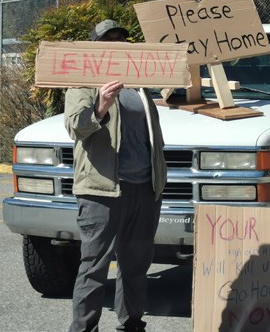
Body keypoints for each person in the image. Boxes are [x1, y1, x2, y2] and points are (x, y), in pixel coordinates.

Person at [64, 19, 167, 332]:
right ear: (97, 48)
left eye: (122, 38)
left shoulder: (140, 86)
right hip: (102, 190)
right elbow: (75, 126)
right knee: (94, 266)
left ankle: (131, 324)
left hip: (143, 189)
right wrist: (101, 105)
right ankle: (83, 329)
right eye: (109, 39)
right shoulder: (83, 83)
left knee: (136, 266)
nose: (118, 42)